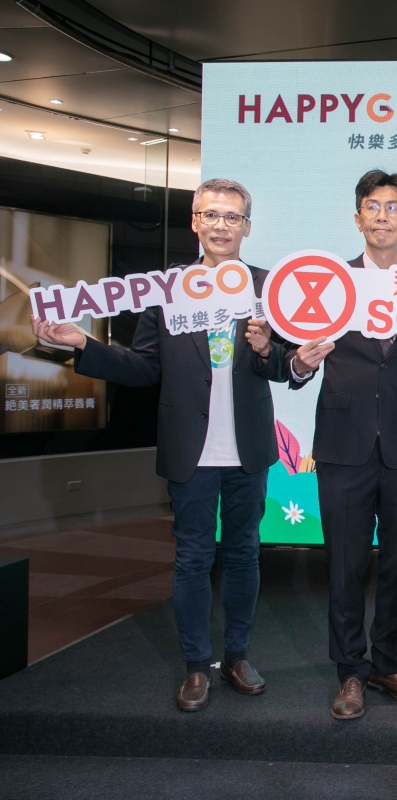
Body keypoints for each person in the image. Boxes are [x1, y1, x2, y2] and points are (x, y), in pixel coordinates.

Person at [30, 178, 313, 712]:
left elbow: (284, 368)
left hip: (249, 447)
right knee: (191, 558)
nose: (221, 225)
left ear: (247, 227)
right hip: (190, 447)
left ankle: (237, 656)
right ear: (195, 222)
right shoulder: (167, 289)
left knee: (245, 554)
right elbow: (145, 368)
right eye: (211, 215)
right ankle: (195, 665)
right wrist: (83, 343)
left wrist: (269, 350)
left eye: (232, 217)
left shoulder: (268, 287)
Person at [288, 170, 397, 720]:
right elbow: (295, 360)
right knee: (344, 565)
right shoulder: (328, 284)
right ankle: (350, 673)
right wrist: (299, 363)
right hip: (343, 446)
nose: (383, 216)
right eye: (373, 207)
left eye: (393, 207)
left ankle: (388, 664)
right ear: (357, 218)